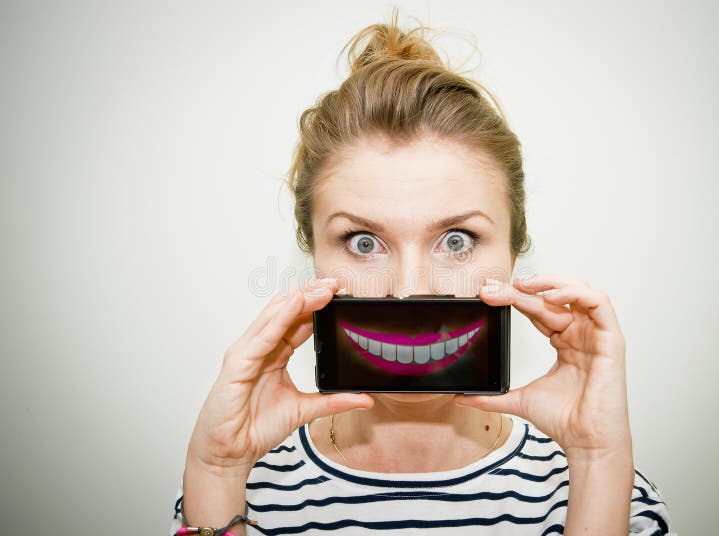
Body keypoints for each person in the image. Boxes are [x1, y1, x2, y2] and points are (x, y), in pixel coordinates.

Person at [168, 10, 674, 536]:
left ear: (513, 256)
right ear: (313, 257)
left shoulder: (608, 493)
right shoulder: (234, 497)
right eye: (363, 243)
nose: (410, 289)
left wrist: (595, 462)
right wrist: (218, 471)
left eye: (457, 241)